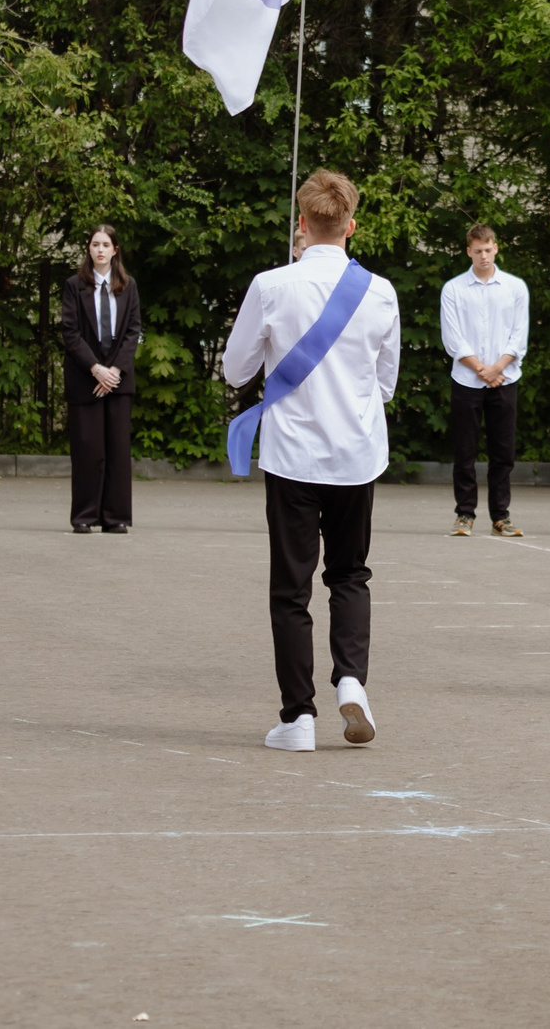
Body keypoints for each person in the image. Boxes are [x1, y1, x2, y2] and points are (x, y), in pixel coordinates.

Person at [223, 170, 401, 752]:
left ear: (301, 224)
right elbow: (387, 383)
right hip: (355, 456)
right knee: (350, 575)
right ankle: (351, 680)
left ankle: (298, 718)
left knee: (290, 589)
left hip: (293, 457)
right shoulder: (379, 291)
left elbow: (235, 369)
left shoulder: (272, 285)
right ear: (351, 226)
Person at [440, 223, 529, 538]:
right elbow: (453, 338)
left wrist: (498, 367)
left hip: (505, 378)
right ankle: (464, 514)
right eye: (477, 251)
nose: (483, 256)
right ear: (468, 251)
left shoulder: (515, 287)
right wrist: (481, 368)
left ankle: (500, 516)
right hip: (467, 379)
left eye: (488, 250)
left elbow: (519, 335)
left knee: (502, 452)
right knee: (465, 450)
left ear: (496, 248)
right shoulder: (453, 289)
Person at [59, 223, 141, 534]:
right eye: (95, 244)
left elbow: (133, 331)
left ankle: (115, 516)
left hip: (118, 381)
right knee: (87, 449)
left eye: (106, 244)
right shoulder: (73, 285)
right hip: (86, 379)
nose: (101, 250)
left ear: (115, 250)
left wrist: (115, 371)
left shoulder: (128, 285)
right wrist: (96, 369)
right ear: (89, 249)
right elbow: (70, 332)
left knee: (117, 450)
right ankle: (84, 515)